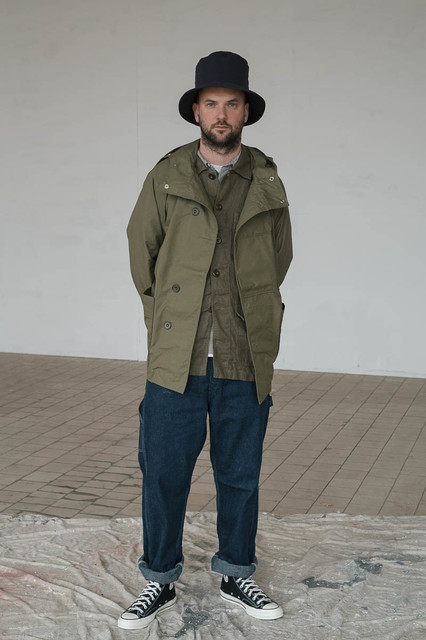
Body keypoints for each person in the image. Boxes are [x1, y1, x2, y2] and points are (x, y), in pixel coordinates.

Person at [118, 51, 293, 630]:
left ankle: (237, 572)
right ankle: (159, 578)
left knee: (240, 473)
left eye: (231, 104)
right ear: (196, 110)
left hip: (244, 351)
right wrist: (164, 316)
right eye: (211, 103)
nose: (221, 114)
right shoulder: (166, 174)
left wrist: (254, 311)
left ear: (246, 112)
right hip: (179, 355)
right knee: (164, 472)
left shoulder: (266, 178)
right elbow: (141, 252)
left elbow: (280, 257)